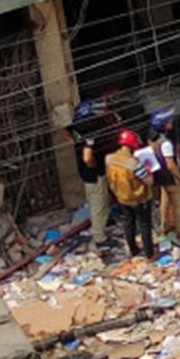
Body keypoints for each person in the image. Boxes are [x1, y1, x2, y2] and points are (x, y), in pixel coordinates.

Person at [104, 129, 156, 260]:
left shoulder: (109, 159)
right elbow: (149, 181)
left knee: (128, 223)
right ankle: (149, 253)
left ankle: (133, 250)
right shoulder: (133, 164)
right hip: (139, 198)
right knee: (144, 225)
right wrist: (149, 170)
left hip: (122, 197)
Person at [67, 101, 112, 251]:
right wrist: (94, 165)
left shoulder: (76, 126)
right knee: (99, 204)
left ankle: (98, 226)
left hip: (84, 173)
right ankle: (100, 238)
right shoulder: (89, 131)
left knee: (93, 202)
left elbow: (66, 133)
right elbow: (87, 157)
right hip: (94, 174)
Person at [145, 109, 180, 242]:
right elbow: (170, 164)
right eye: (168, 121)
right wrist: (179, 177)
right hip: (170, 177)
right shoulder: (166, 143)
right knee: (177, 205)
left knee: (164, 201)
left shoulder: (151, 139)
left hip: (159, 176)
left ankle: (165, 225)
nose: (171, 122)